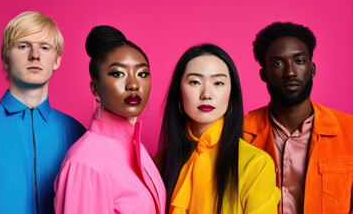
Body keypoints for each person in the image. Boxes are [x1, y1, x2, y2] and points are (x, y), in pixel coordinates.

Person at [54, 25, 166, 213]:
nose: (133, 84)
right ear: (95, 88)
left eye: (142, 74)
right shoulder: (85, 164)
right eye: (118, 74)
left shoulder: (141, 151)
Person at [243, 22, 353, 213]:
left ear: (312, 68)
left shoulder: (349, 131)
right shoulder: (239, 134)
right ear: (264, 74)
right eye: (278, 63)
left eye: (299, 61)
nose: (290, 72)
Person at [157, 44, 280, 213]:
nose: (206, 94)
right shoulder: (160, 161)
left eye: (218, 83)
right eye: (195, 82)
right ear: (179, 92)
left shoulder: (256, 164)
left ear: (231, 96)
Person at [0, 11, 85, 214]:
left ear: (56, 60)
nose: (35, 55)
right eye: (23, 46)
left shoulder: (78, 132)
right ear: (5, 59)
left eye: (44, 47)